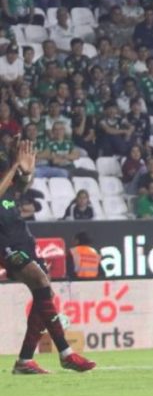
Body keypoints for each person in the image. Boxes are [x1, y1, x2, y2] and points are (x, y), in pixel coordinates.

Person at [3, 140, 95, 373]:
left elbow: (18, 188)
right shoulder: (6, 170)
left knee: (45, 293)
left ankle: (25, 360)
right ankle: (66, 353)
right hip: (4, 242)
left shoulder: (6, 171)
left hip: (22, 236)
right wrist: (14, 166)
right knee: (41, 282)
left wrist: (26, 172)